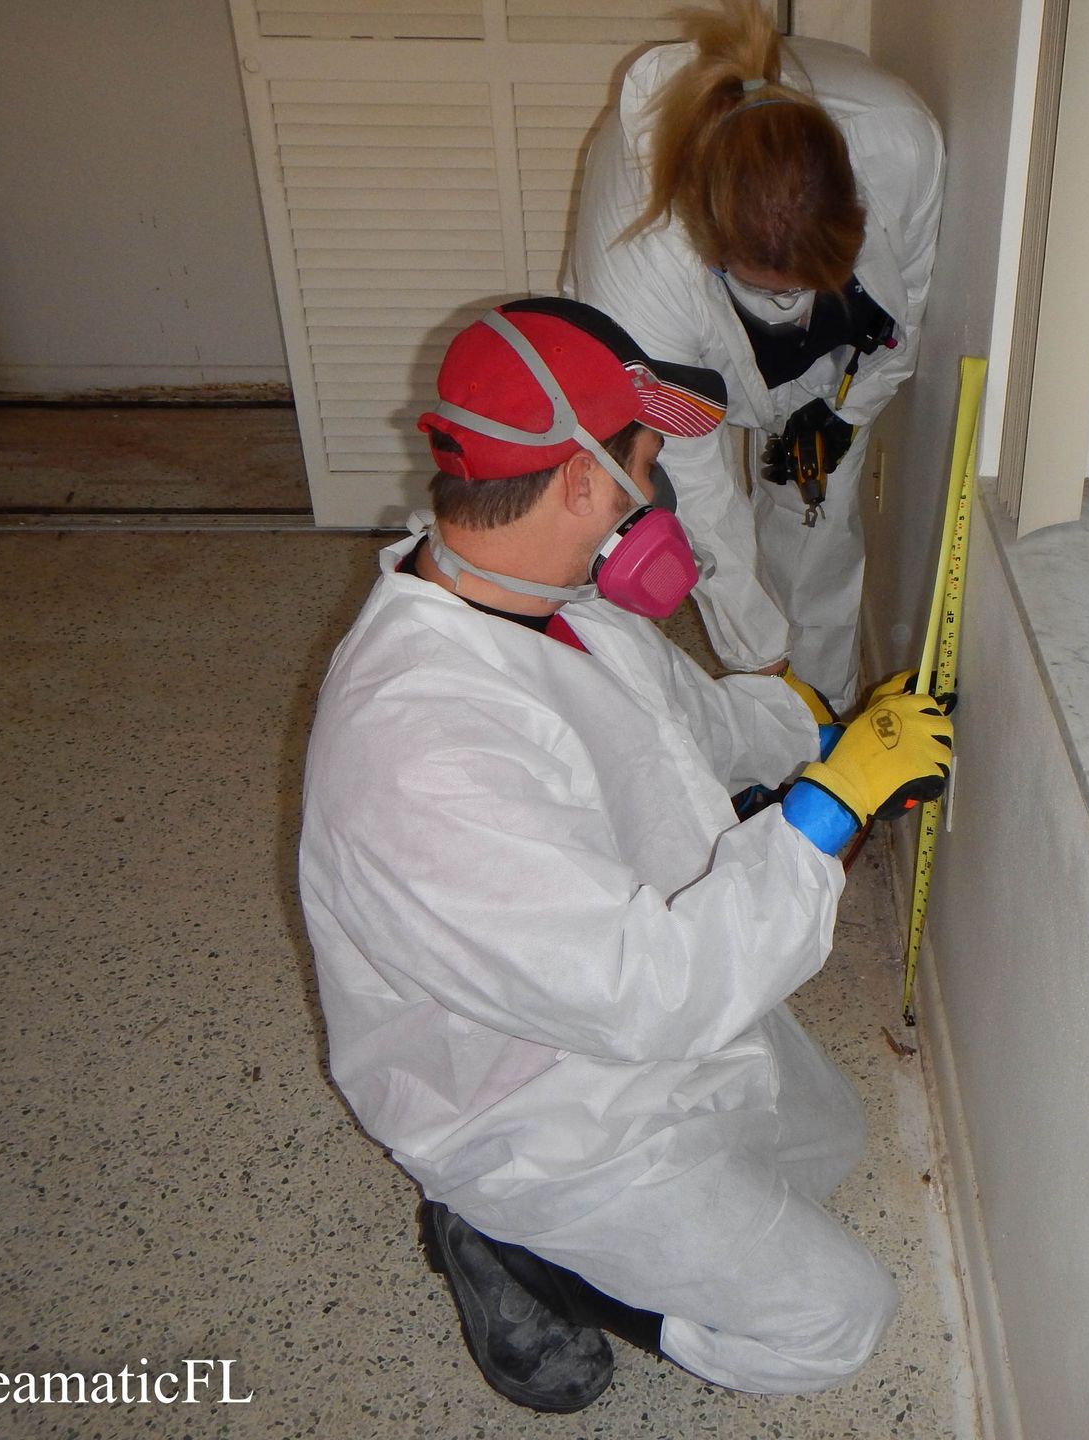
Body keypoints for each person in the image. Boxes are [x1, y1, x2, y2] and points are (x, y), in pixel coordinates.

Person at [297, 296, 956, 1412]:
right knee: (832, 1320)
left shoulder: (548, 600)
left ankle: (586, 1237)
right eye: (644, 457)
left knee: (829, 1139)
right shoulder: (418, 748)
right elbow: (647, 992)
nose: (653, 491)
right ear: (581, 484)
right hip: (526, 1099)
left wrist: (827, 735)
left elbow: (683, 728)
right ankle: (511, 1245)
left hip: (618, 1002)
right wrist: (825, 814)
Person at [568, 0, 944, 712]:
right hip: (680, 331)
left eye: (811, 283)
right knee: (660, 511)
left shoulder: (902, 148)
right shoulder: (641, 261)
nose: (793, 303)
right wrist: (761, 658)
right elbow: (696, 476)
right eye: (774, 292)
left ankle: (822, 725)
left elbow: (908, 303)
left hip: (823, 291)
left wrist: (844, 410)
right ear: (707, 243)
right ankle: (757, 719)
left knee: (818, 509)